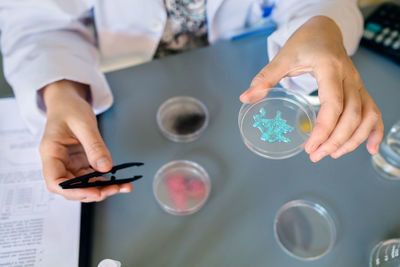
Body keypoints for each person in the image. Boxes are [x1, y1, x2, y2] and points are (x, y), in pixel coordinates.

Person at [0, 0, 383, 202]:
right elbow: (37, 22)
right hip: (126, 88)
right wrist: (61, 91)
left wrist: (322, 25)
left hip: (242, 72)